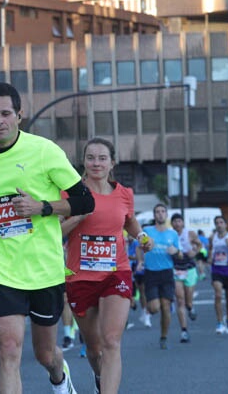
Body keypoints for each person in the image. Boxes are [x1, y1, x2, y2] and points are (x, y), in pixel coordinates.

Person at [0, 82, 95, 394]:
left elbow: (85, 201)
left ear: (19, 114)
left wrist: (43, 207)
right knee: (9, 349)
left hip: (42, 269)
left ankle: (59, 378)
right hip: (0, 268)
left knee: (45, 354)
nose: (0, 121)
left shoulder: (44, 151)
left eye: (6, 113)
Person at [61, 138, 150, 394]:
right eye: (90, 157)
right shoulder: (71, 193)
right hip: (80, 277)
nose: (96, 163)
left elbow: (129, 222)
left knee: (112, 341)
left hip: (116, 272)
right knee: (94, 346)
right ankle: (100, 377)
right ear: (84, 161)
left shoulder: (125, 194)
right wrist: (78, 216)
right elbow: (55, 232)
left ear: (112, 162)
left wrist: (141, 237)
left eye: (102, 158)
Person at [136, 204, 180, 349]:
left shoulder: (173, 234)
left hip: (167, 272)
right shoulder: (147, 231)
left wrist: (175, 252)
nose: (160, 214)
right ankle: (155, 307)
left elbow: (179, 254)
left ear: (166, 215)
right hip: (151, 272)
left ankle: (164, 336)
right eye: (157, 212)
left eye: (162, 212)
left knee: (166, 307)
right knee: (155, 308)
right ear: (154, 215)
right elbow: (138, 246)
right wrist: (140, 261)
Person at [170, 213, 198, 330]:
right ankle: (184, 330)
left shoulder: (190, 233)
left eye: (179, 221)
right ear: (172, 224)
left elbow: (199, 245)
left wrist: (195, 251)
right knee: (180, 300)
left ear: (183, 223)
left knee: (188, 302)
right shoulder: (169, 235)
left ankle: (191, 308)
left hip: (189, 267)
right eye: (175, 221)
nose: (177, 223)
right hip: (176, 268)